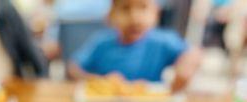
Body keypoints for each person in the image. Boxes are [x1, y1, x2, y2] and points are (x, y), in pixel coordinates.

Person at [68, 0, 201, 91]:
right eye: (125, 8)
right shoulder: (101, 42)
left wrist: (185, 69)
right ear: (111, 15)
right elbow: (73, 68)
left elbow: (192, 52)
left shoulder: (162, 41)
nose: (135, 17)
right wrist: (97, 81)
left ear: (156, 13)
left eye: (143, 7)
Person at [43, 0, 111, 60]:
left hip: (74, 67)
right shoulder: (108, 5)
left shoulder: (63, 7)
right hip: (109, 68)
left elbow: (50, 50)